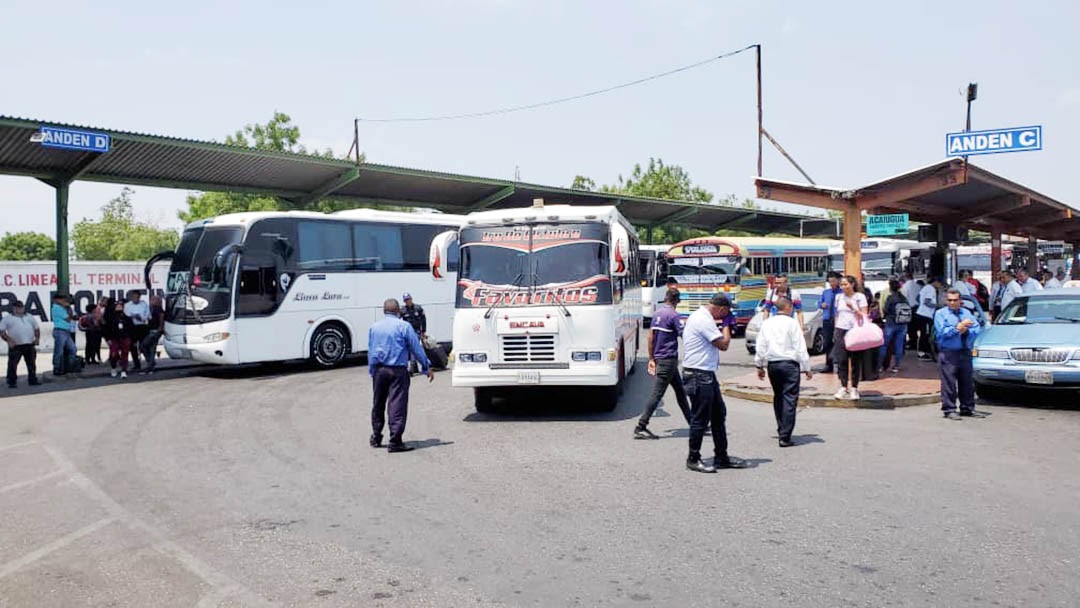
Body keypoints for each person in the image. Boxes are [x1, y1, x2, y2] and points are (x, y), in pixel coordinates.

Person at [680, 294, 747, 473]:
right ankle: (693, 458)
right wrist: (725, 325)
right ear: (720, 308)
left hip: (705, 374)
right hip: (698, 374)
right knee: (700, 419)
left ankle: (721, 457)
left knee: (718, 415)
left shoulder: (703, 317)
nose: (726, 315)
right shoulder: (703, 320)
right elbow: (723, 344)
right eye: (726, 312)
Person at [368, 298, 434, 453]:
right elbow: (416, 348)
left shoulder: (374, 327)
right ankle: (395, 441)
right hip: (398, 371)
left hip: (379, 370)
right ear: (398, 311)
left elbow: (371, 350)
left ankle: (376, 436)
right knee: (397, 405)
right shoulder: (404, 326)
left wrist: (372, 370)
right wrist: (426, 367)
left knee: (378, 403)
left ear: (384, 311)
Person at [754, 297, 812, 448]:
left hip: (773, 364)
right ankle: (785, 436)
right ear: (788, 307)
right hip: (789, 364)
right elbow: (800, 346)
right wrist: (807, 367)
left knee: (778, 397)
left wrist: (759, 365)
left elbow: (760, 346)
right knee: (789, 398)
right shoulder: (792, 323)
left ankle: (781, 428)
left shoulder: (767, 323)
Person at [635, 288, 691, 439]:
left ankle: (694, 424)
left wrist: (652, 358)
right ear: (676, 301)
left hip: (661, 359)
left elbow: (650, 338)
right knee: (657, 394)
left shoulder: (657, 314)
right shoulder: (674, 315)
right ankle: (641, 426)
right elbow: (685, 335)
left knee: (680, 392)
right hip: (668, 360)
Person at [934, 289, 985, 420]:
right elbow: (942, 332)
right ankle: (949, 409)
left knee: (967, 381)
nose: (952, 303)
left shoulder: (966, 312)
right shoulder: (941, 314)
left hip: (965, 351)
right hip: (948, 352)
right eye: (949, 300)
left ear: (960, 301)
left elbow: (977, 328)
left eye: (955, 300)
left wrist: (966, 331)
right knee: (949, 382)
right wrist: (957, 328)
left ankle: (967, 408)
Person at [832, 275, 869, 400]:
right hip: (841, 330)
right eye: (841, 284)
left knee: (855, 360)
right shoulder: (838, 297)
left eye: (845, 284)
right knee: (841, 359)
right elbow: (837, 314)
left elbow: (864, 315)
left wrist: (853, 308)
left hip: (855, 330)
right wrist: (835, 329)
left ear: (852, 284)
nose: (843, 287)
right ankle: (843, 386)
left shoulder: (860, 297)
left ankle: (854, 387)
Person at [1, 301, 41, 388]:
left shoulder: (29, 317)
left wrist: (37, 338)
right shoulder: (8, 318)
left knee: (31, 363)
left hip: (29, 344)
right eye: (17, 307)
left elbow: (36, 328)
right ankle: (12, 381)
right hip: (16, 345)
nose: (20, 309)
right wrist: (9, 340)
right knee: (13, 364)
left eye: (21, 307)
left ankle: (32, 379)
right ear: (14, 308)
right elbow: (2, 331)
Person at [879, 278, 912, 374]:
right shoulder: (903, 298)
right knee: (899, 345)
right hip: (902, 323)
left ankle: (880, 365)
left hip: (891, 322)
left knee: (884, 344)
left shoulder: (890, 297)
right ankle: (896, 366)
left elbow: (885, 309)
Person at [816, 272, 842, 373]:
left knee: (839, 342)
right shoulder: (826, 292)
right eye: (830, 281)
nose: (832, 283)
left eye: (833, 281)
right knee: (827, 343)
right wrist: (821, 305)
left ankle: (839, 364)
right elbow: (819, 303)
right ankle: (829, 364)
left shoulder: (841, 293)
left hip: (838, 320)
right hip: (827, 320)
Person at [102, 298, 133, 379]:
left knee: (125, 354)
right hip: (114, 338)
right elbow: (106, 328)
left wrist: (131, 338)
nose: (119, 307)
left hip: (125, 337)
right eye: (117, 306)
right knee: (114, 354)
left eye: (120, 306)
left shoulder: (126, 318)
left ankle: (124, 370)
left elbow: (131, 328)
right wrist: (107, 338)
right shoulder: (110, 317)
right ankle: (113, 367)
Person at [914, 277, 943, 360]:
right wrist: (937, 307)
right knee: (925, 334)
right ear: (936, 282)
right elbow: (927, 302)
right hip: (926, 315)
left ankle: (925, 351)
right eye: (940, 284)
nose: (939, 286)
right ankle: (922, 352)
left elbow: (918, 298)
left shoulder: (925, 287)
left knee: (924, 333)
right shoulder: (931, 289)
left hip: (921, 313)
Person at [50, 293, 78, 376]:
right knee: (59, 351)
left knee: (73, 349)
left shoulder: (62, 308)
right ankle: (57, 368)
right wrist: (68, 307)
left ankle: (70, 366)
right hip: (60, 331)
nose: (63, 301)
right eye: (61, 299)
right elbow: (68, 318)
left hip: (66, 331)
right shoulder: (57, 308)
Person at [400, 293, 427, 374]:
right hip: (407, 332)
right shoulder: (403, 310)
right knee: (410, 349)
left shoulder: (418, 308)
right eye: (406, 300)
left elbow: (423, 320)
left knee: (413, 349)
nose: (407, 301)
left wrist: (423, 331)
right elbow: (397, 320)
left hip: (416, 332)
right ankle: (414, 367)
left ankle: (412, 368)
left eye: (408, 299)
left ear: (411, 299)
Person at [124, 290, 150, 371]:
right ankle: (136, 364)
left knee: (144, 345)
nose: (136, 298)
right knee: (133, 347)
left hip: (142, 327)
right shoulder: (127, 305)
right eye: (134, 297)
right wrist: (134, 316)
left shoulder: (144, 304)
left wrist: (141, 318)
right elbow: (127, 315)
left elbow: (148, 315)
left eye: (138, 297)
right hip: (132, 328)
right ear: (131, 297)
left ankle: (149, 363)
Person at [140, 295, 166, 374]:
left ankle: (150, 363)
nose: (151, 301)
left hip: (155, 331)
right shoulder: (151, 309)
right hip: (151, 330)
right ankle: (150, 365)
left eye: (153, 300)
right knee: (152, 348)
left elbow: (161, 317)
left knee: (143, 345)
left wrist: (160, 328)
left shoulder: (158, 309)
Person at [900, 272, 921, 350]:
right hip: (917, 307)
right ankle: (914, 342)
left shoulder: (905, 287)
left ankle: (911, 343)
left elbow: (904, 298)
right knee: (915, 326)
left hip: (909, 308)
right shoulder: (917, 286)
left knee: (909, 327)